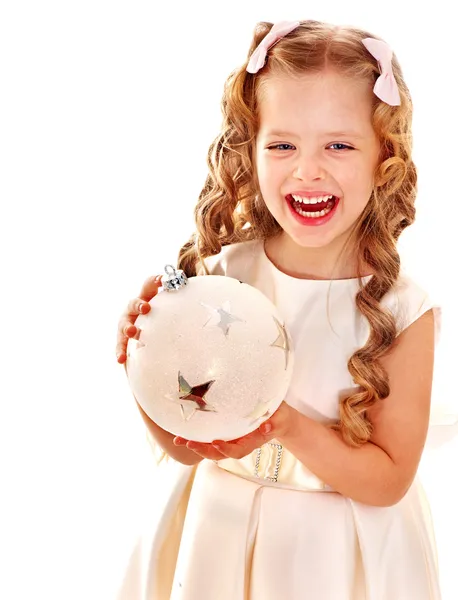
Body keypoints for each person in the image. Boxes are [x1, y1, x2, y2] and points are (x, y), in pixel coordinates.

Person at [115, 19, 444, 600]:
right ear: (252, 148)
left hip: (337, 554)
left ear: (383, 156)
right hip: (219, 530)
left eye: (338, 145)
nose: (307, 169)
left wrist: (285, 424)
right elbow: (180, 445)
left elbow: (390, 477)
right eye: (282, 144)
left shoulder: (401, 310)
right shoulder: (225, 277)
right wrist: (146, 364)